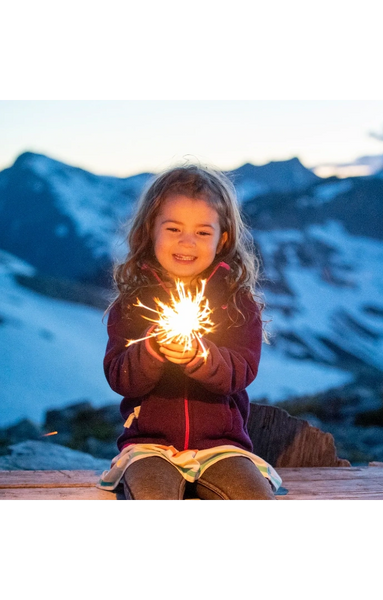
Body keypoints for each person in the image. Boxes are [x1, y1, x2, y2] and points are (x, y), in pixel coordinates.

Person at [97, 163, 281, 502]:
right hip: (149, 445)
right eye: (173, 228)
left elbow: (242, 372)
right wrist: (150, 351)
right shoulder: (134, 302)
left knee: (254, 497)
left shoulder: (237, 303)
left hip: (222, 447)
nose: (187, 242)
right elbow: (120, 377)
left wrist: (202, 357)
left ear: (222, 238)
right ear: (149, 230)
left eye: (202, 232)